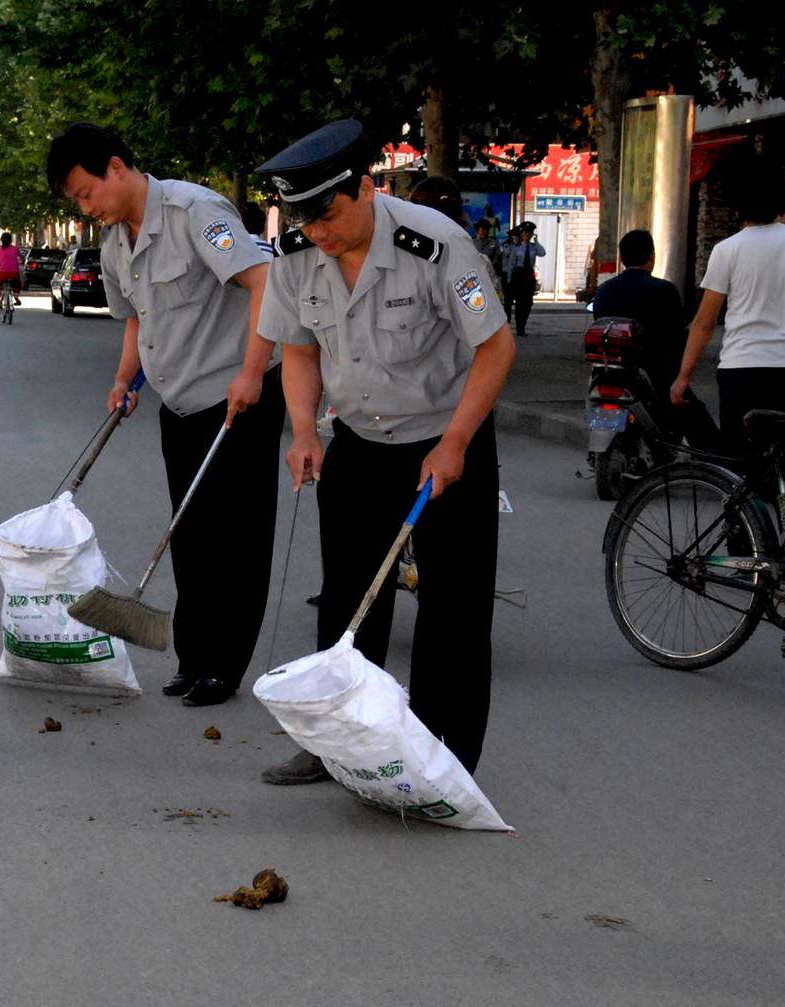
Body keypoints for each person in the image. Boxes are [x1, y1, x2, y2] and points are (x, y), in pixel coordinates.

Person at [253, 118, 515, 783]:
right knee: (347, 600)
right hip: (361, 441)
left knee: (452, 608)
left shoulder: (435, 244)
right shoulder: (293, 256)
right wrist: (305, 429)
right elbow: (298, 348)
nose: (319, 233)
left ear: (366, 188)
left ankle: (440, 757)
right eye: (305, 221)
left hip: (444, 437)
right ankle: (337, 746)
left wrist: (455, 441)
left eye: (329, 216)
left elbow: (494, 346)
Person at [47, 121, 283, 708]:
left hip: (237, 399)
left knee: (238, 540)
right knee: (191, 534)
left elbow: (264, 284)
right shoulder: (113, 244)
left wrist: (252, 372)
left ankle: (225, 667)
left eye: (86, 192)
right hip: (178, 403)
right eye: (76, 201)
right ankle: (194, 655)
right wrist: (124, 379)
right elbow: (137, 319)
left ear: (117, 168)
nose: (86, 206)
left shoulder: (195, 212)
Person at [671, 167, 785, 510]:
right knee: (778, 453)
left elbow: (705, 321)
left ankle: (743, 539)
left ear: (738, 208)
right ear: (779, 205)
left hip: (740, 370)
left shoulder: (728, 250)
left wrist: (684, 376)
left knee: (740, 462)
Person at [592, 229, 719, 449]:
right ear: (652, 256)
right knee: (697, 419)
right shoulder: (663, 290)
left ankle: (599, 450)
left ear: (621, 258)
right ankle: (714, 469)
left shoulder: (604, 290)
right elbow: (677, 333)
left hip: (608, 371)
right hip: (657, 373)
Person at [502, 221, 545, 337]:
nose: (527, 235)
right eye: (525, 233)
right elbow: (511, 264)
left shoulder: (534, 247)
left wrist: (536, 242)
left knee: (527, 303)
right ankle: (520, 327)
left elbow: (543, 253)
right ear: (521, 234)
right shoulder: (516, 248)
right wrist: (510, 279)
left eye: (529, 233)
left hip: (529, 274)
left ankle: (523, 323)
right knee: (520, 303)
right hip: (519, 274)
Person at [0, 231, 22, 306]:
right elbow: (21, 257)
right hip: (14, 272)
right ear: (11, 240)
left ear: (1, 240)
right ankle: (16, 298)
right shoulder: (15, 249)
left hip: (2, 273)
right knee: (18, 283)